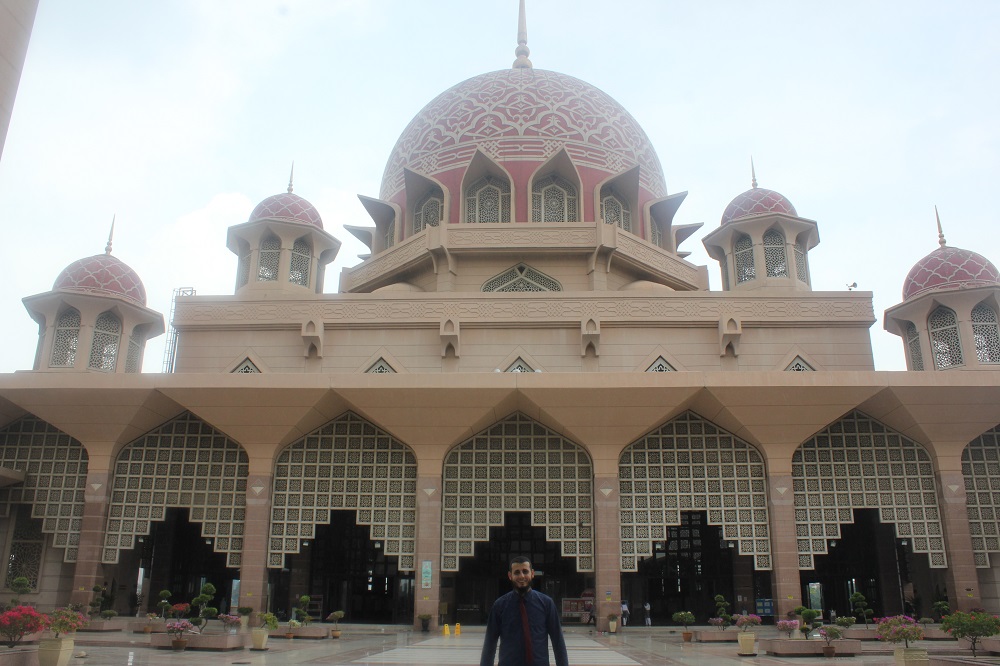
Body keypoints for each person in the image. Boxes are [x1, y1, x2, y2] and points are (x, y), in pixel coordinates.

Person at [480, 556, 569, 666]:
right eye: (517, 572)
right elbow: (490, 644)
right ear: (510, 576)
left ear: (532, 573)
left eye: (525, 571)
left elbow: (558, 641)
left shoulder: (546, 604)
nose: (521, 576)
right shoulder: (499, 606)